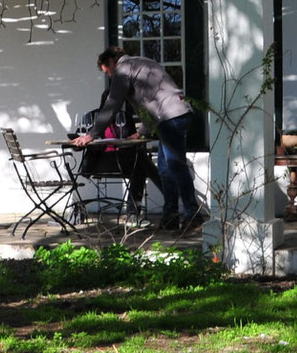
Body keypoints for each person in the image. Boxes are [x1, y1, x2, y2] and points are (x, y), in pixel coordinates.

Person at [74, 47, 202, 232]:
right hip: (176, 115)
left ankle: (193, 216)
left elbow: (113, 103)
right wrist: (142, 131)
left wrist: (92, 134)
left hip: (170, 118)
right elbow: (151, 101)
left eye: (108, 72)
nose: (110, 77)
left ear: (111, 62)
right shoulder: (143, 62)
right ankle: (170, 218)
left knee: (176, 166)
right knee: (166, 170)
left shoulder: (123, 69)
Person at [71, 87, 161, 217]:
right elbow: (78, 144)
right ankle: (165, 194)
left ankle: (132, 214)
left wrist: (134, 138)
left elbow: (130, 141)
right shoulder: (91, 117)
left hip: (122, 160)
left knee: (139, 168)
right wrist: (77, 142)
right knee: (141, 163)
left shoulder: (124, 117)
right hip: (99, 162)